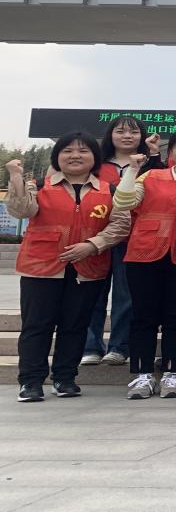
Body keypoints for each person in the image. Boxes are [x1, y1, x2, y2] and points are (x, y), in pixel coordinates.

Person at [6, 135, 129, 402]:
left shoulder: (109, 190)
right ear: (57, 157)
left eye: (83, 151)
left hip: (87, 267)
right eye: (68, 151)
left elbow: (121, 224)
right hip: (41, 266)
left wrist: (93, 245)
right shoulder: (41, 186)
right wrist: (15, 177)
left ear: (95, 157)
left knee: (75, 325)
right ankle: (30, 381)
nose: (75, 155)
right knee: (37, 325)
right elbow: (21, 210)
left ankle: (65, 378)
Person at [114, 128, 176, 400]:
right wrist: (132, 170)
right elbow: (122, 202)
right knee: (143, 317)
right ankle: (142, 374)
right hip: (144, 255)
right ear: (171, 152)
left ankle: (172, 372)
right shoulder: (151, 176)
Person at [83, 115, 162, 367]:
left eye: (133, 132)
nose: (127, 136)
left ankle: (119, 346)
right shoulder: (96, 163)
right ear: (110, 135)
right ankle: (90, 346)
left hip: (134, 237)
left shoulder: (149, 165)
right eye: (120, 131)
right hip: (96, 235)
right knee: (93, 291)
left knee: (125, 294)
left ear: (142, 136)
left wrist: (153, 156)